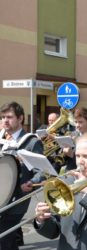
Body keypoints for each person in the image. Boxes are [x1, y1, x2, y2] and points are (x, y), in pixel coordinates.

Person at [0, 101, 44, 250]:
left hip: (18, 200)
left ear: (20, 119)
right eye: (3, 117)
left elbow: (42, 172)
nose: (5, 120)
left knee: (4, 238)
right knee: (9, 242)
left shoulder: (31, 142)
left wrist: (31, 183)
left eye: (9, 117)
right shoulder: (0, 138)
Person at [63, 107, 87, 171]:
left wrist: (72, 155)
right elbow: (64, 160)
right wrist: (64, 152)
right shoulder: (72, 134)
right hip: (69, 172)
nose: (77, 125)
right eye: (76, 122)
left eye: (80, 122)